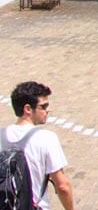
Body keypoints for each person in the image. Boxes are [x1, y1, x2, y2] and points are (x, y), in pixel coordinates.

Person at [1, 81, 73, 210]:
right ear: (28, 109)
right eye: (43, 106)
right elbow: (62, 186)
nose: (48, 110)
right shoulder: (47, 138)